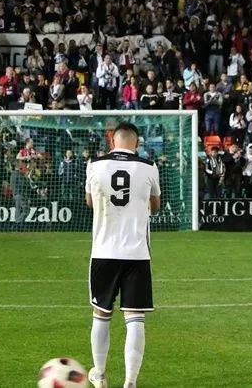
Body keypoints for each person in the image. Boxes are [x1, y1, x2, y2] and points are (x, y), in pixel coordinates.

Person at [85, 122, 161, 388]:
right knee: (135, 319)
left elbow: (90, 201)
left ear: (112, 142)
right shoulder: (149, 166)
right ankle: (130, 382)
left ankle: (100, 374)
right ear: (136, 143)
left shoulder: (94, 164)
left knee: (101, 314)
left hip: (104, 251)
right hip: (137, 254)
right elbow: (155, 204)